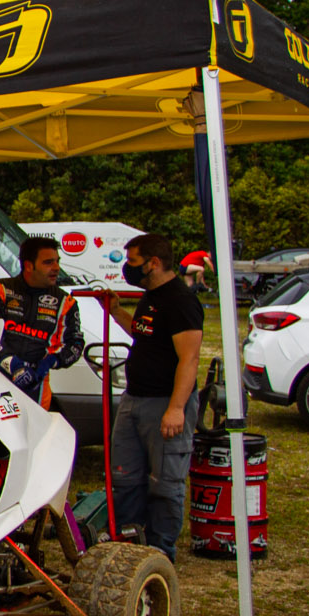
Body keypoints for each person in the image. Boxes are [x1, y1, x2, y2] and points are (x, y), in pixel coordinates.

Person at [108, 233, 205, 561]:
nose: (128, 268)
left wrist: (176, 408)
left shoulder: (181, 301)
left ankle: (160, 554)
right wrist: (117, 312)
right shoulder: (150, 297)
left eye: (133, 261)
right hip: (134, 398)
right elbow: (143, 333)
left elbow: (189, 359)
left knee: (165, 482)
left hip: (164, 402)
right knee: (125, 478)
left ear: (153, 263)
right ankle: (128, 546)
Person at [0, 236, 83, 405]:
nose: (56, 268)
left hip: (37, 384)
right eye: (48, 263)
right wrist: (12, 365)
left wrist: (51, 361)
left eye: (57, 261)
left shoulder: (65, 302)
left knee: (37, 422)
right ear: (28, 265)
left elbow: (75, 344)